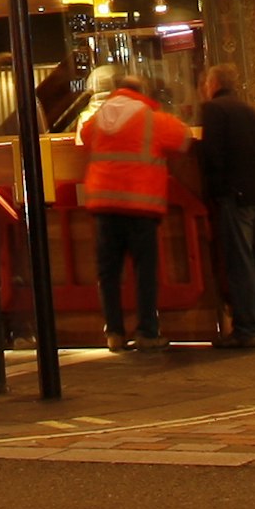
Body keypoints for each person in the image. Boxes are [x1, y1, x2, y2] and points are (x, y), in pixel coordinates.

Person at [73, 72, 189, 351]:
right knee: (144, 272)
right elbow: (183, 139)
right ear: (143, 92)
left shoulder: (98, 117)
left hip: (104, 205)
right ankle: (147, 332)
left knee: (108, 273)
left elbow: (84, 138)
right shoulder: (151, 117)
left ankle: (114, 333)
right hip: (141, 205)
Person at [192, 65, 255, 349]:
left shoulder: (215, 111)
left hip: (234, 196)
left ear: (212, 84)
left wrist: (215, 188)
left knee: (240, 264)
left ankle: (246, 329)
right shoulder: (249, 110)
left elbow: (213, 156)